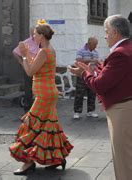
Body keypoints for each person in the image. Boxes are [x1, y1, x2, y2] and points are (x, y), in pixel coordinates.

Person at [68, 14, 132, 180]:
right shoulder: (127, 48)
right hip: (125, 107)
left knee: (123, 161)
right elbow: (118, 76)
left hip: (122, 111)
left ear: (115, 33)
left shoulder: (120, 53)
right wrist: (97, 69)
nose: (105, 36)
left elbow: (99, 85)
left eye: (106, 31)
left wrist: (84, 74)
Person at [9, 19, 73, 175]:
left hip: (44, 94)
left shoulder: (44, 51)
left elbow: (30, 71)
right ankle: (57, 158)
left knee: (30, 125)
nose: (33, 37)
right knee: (48, 126)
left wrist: (24, 55)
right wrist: (28, 56)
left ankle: (27, 163)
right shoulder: (47, 49)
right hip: (48, 93)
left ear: (42, 36)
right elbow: (36, 66)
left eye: (35, 34)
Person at [12, 27, 39, 112]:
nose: (34, 35)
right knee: (28, 88)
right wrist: (22, 63)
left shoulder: (42, 43)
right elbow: (15, 52)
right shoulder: (27, 42)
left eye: (35, 33)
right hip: (29, 68)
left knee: (40, 88)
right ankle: (27, 110)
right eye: (32, 34)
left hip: (40, 68)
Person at [73, 37, 100, 119]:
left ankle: (90, 111)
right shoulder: (81, 50)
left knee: (92, 93)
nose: (96, 46)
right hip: (82, 74)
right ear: (89, 43)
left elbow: (96, 64)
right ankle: (77, 112)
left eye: (96, 44)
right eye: (94, 44)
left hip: (92, 75)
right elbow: (78, 61)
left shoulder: (96, 52)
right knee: (79, 94)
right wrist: (91, 60)